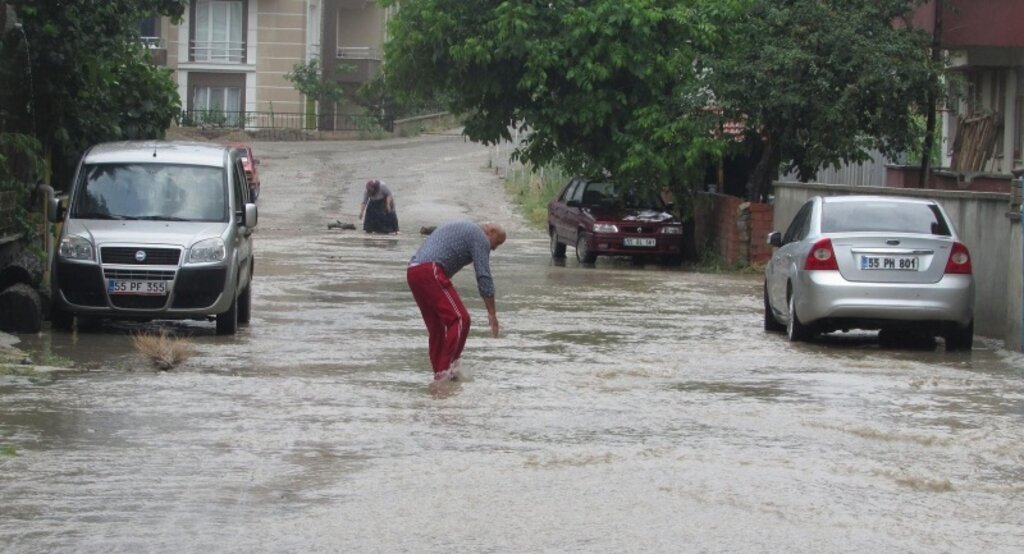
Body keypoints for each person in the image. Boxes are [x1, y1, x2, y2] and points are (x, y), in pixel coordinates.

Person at [407, 221, 506, 381]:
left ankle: (439, 376)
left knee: (437, 329)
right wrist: (492, 313)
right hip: (429, 270)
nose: (494, 248)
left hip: (413, 271)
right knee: (461, 319)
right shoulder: (480, 236)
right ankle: (448, 370)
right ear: (491, 231)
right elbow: (483, 275)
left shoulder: (465, 229)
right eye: (498, 243)